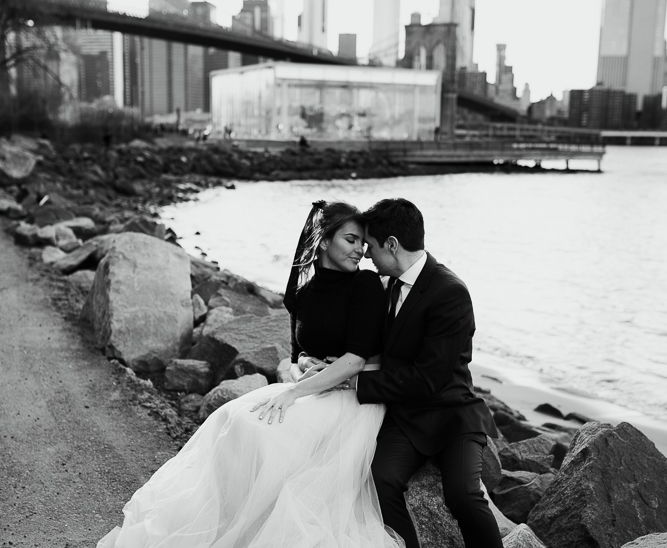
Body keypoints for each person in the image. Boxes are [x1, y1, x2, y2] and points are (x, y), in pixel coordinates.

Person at [97, 201, 403, 548]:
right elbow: (298, 354)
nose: (360, 250)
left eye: (362, 243)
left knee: (265, 438)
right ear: (323, 242)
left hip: (352, 397)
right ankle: (222, 527)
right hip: (314, 386)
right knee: (231, 417)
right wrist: (303, 365)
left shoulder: (365, 285)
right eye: (351, 240)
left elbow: (354, 361)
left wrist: (293, 392)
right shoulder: (304, 292)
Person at [351, 198, 503, 548]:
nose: (366, 254)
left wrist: (357, 383)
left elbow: (429, 378)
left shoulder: (449, 292)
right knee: (379, 480)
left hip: (452, 414)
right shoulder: (387, 283)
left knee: (464, 495)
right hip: (407, 417)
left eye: (370, 246)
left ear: (391, 244)